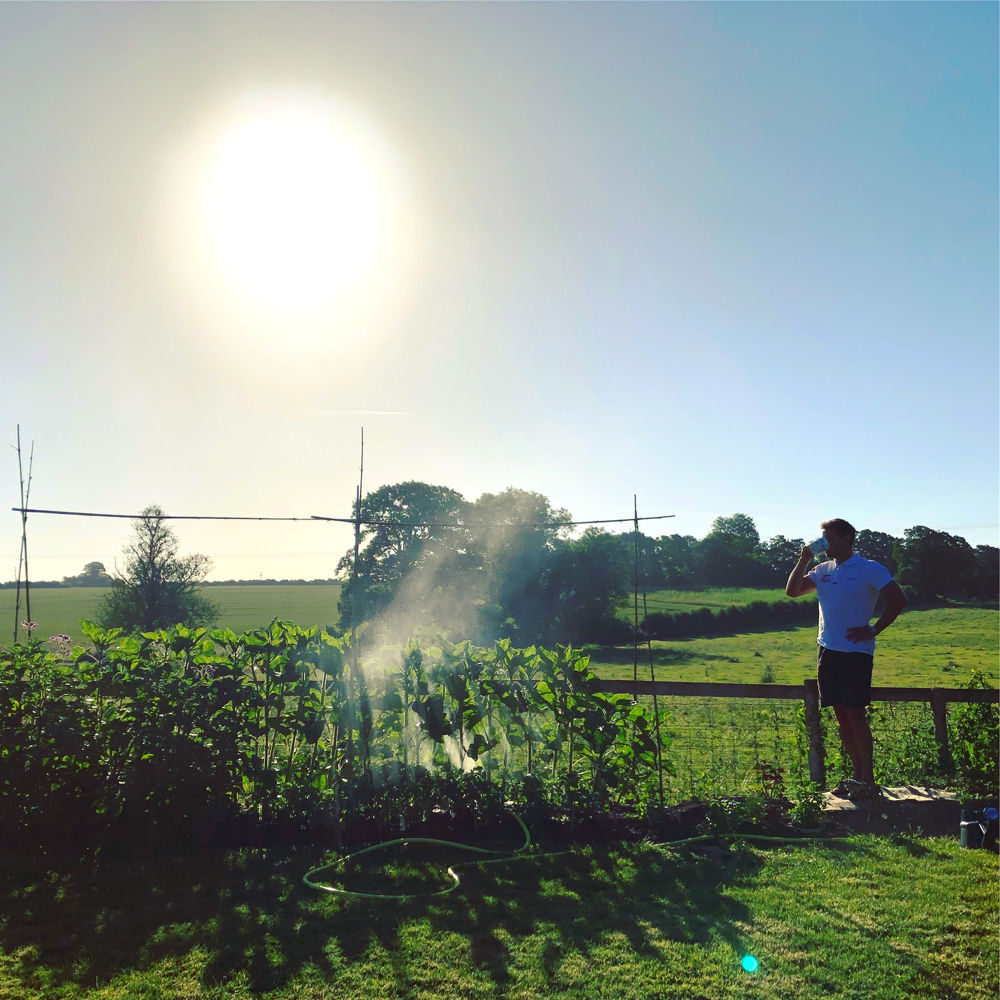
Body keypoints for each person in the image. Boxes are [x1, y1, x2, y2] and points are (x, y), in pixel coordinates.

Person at [785, 518, 907, 800]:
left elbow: (898, 599)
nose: (824, 544)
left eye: (829, 538)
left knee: (855, 714)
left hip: (856, 654)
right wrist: (803, 559)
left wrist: (874, 629)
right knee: (841, 717)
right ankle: (856, 776)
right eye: (822, 539)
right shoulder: (822, 570)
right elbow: (792, 591)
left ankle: (869, 779)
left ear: (847, 538)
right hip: (827, 651)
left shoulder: (869, 569)